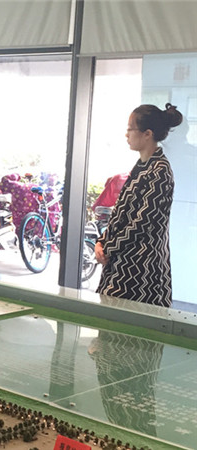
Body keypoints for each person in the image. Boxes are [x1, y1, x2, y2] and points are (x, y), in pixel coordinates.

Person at [95, 103, 183, 307]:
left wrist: (107, 247)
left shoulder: (159, 171)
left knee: (125, 323)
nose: (126, 135)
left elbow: (142, 223)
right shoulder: (143, 165)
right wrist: (102, 241)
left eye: (130, 129)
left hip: (142, 270)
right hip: (121, 264)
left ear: (147, 134)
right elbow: (121, 215)